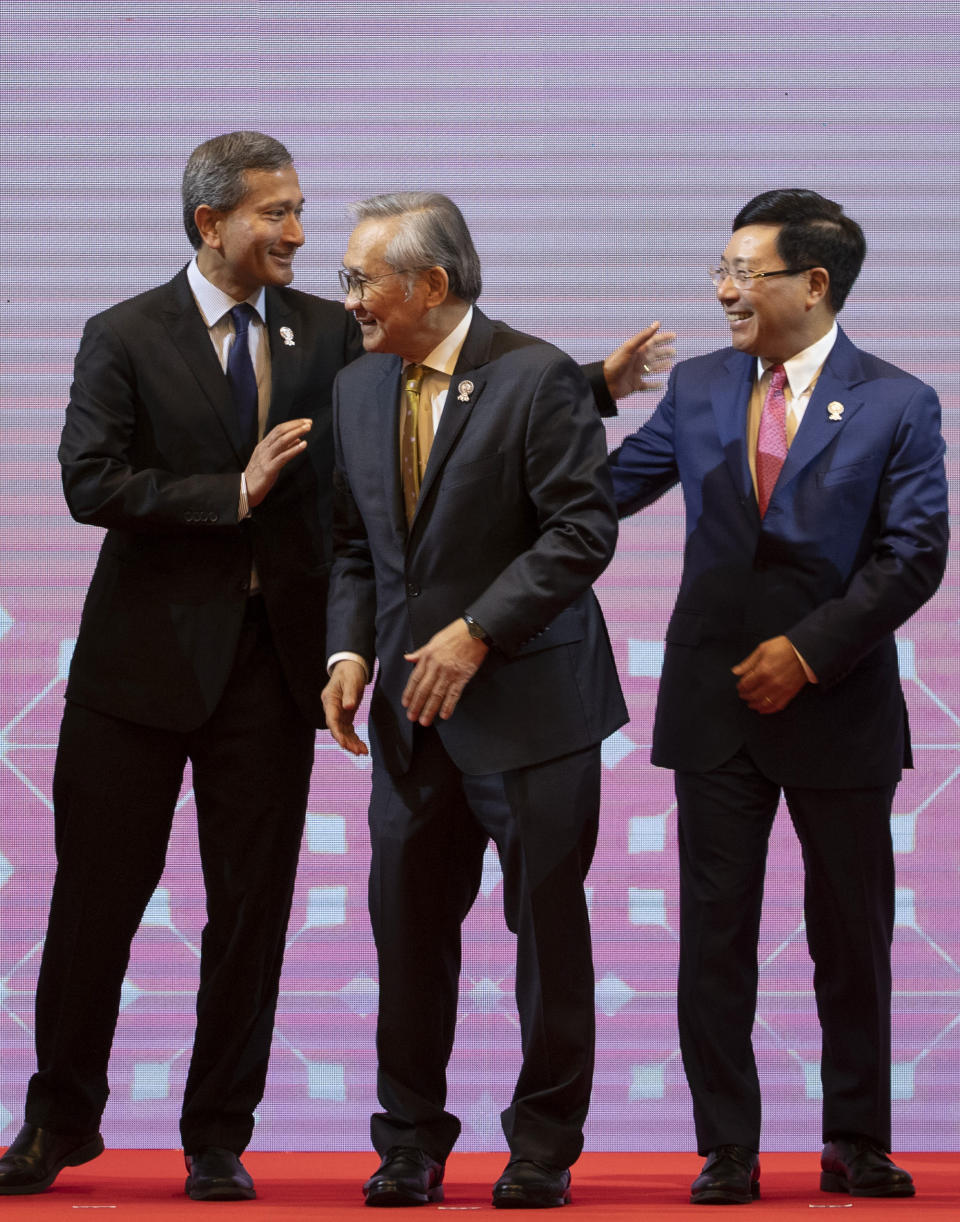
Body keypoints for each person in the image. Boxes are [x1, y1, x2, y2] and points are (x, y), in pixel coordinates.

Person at [0, 134, 668, 1201]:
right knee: (94, 906)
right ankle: (59, 1119)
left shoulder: (332, 337)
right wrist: (234, 498)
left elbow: (478, 378)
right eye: (278, 213)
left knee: (255, 912)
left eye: (310, 216)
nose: (304, 241)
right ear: (211, 221)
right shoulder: (124, 333)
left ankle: (218, 1133)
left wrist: (589, 381)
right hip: (142, 673)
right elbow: (91, 479)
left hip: (282, 679)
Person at [608, 189, 948, 1205]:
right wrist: (573, 403)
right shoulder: (706, 386)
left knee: (853, 936)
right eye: (722, 271)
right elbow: (607, 490)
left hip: (837, 704)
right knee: (716, 938)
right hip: (715, 708)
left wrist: (806, 652)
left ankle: (855, 1137)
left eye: (745, 273)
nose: (724, 290)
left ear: (813, 282)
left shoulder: (898, 401)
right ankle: (728, 1148)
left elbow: (913, 555)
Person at [321, 192, 629, 1210]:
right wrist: (348, 653)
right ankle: (409, 1141)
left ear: (431, 284)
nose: (350, 296)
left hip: (532, 710)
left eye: (364, 278)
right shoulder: (358, 387)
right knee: (405, 931)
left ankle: (541, 1145)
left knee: (545, 931)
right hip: (412, 718)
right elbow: (360, 546)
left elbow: (579, 534)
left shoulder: (536, 376)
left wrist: (476, 628)